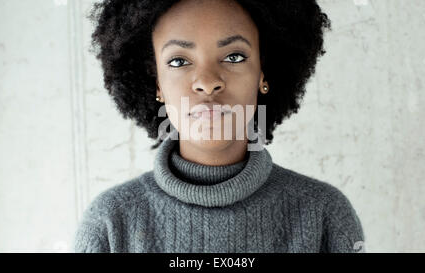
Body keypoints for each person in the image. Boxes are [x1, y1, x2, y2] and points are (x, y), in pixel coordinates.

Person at [73, 0, 365, 253]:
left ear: (263, 72)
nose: (207, 81)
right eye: (178, 61)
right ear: (156, 82)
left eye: (234, 56)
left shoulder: (324, 216)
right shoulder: (110, 224)